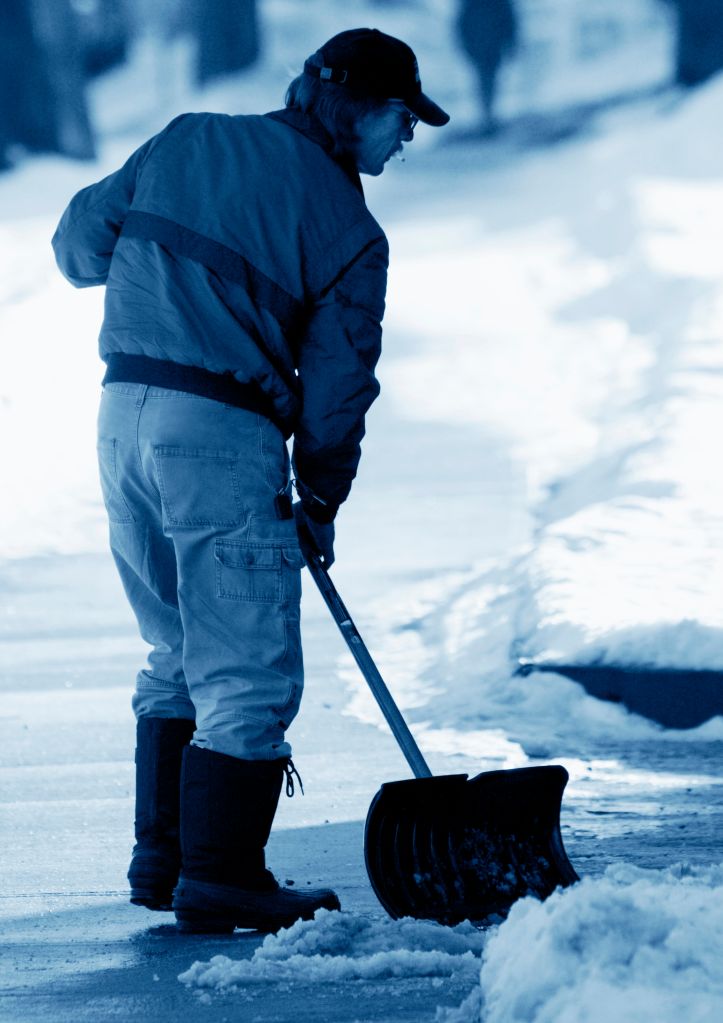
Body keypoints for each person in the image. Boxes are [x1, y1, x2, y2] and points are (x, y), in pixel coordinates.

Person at [51, 28, 449, 934]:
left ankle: (167, 856)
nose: (407, 139)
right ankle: (224, 874)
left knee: (176, 646)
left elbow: (78, 247)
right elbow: (340, 384)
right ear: (352, 108)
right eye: (401, 117)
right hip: (222, 438)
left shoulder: (188, 136)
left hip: (124, 419)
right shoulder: (350, 229)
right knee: (247, 668)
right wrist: (320, 496)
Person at [456, 0, 518, 136]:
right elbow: (462, 23)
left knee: (488, 80)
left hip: (490, 45)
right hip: (482, 45)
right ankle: (487, 117)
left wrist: (510, 41)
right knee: (486, 80)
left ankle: (488, 117)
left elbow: (508, 20)